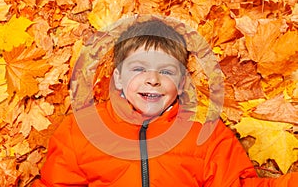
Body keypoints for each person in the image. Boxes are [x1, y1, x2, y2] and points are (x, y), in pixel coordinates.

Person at [33, 18, 298, 186]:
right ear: (118, 79)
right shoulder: (81, 130)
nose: (153, 79)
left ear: (182, 83)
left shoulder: (207, 134)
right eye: (138, 69)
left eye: (167, 72)